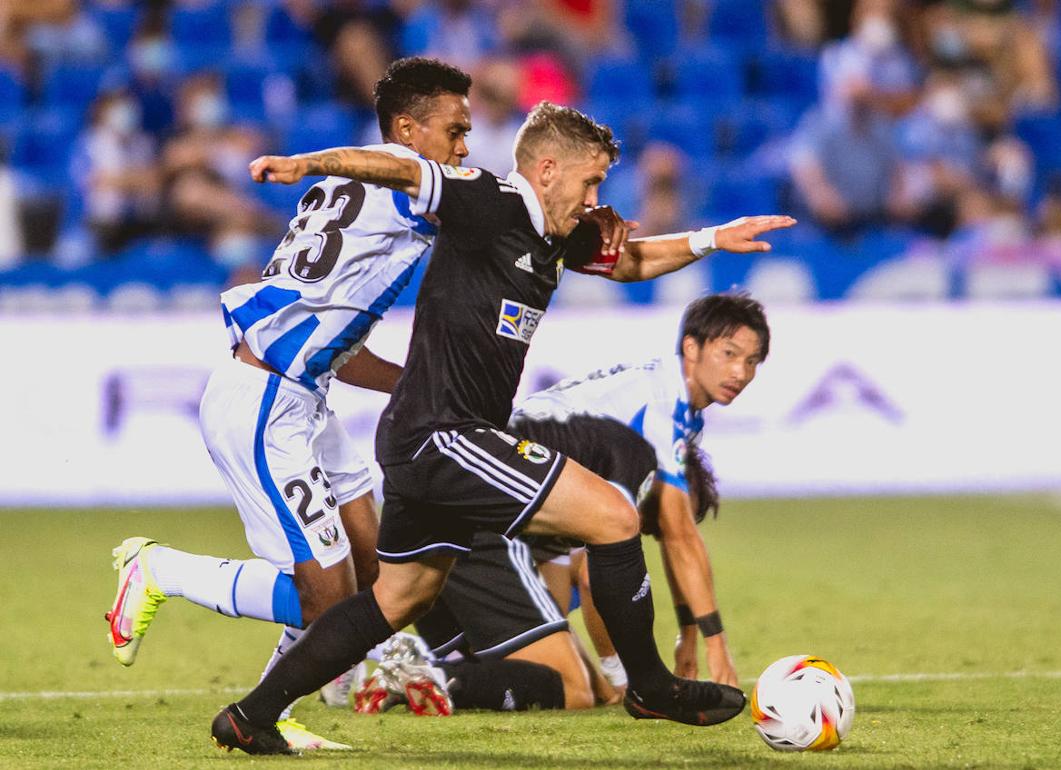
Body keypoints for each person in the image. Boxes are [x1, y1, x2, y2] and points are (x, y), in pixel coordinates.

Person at [210, 100, 794, 754]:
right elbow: (399, 172)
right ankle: (649, 686)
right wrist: (302, 164)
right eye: (590, 182)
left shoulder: (554, 234)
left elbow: (626, 262)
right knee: (615, 516)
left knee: (396, 599)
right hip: (443, 433)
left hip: (428, 438)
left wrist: (713, 238)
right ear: (547, 170)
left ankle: (251, 715)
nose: (597, 197)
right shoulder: (489, 201)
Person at [104, 56, 476, 750]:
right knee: (325, 596)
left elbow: (333, 340)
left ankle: (278, 709)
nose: (462, 149)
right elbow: (491, 210)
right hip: (265, 404)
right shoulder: (404, 187)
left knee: (373, 570)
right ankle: (160, 570)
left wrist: (415, 385)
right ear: (406, 131)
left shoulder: (349, 188)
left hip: (305, 393)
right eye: (454, 131)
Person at [408, 292, 769, 710]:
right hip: (481, 508)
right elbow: (668, 540)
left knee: (570, 684)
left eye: (753, 362)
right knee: (571, 687)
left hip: (464, 507)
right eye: (730, 353)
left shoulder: (655, 420)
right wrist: (711, 645)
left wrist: (619, 675)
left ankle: (426, 667)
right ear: (692, 347)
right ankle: (425, 671)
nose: (740, 372)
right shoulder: (661, 403)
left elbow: (561, 596)